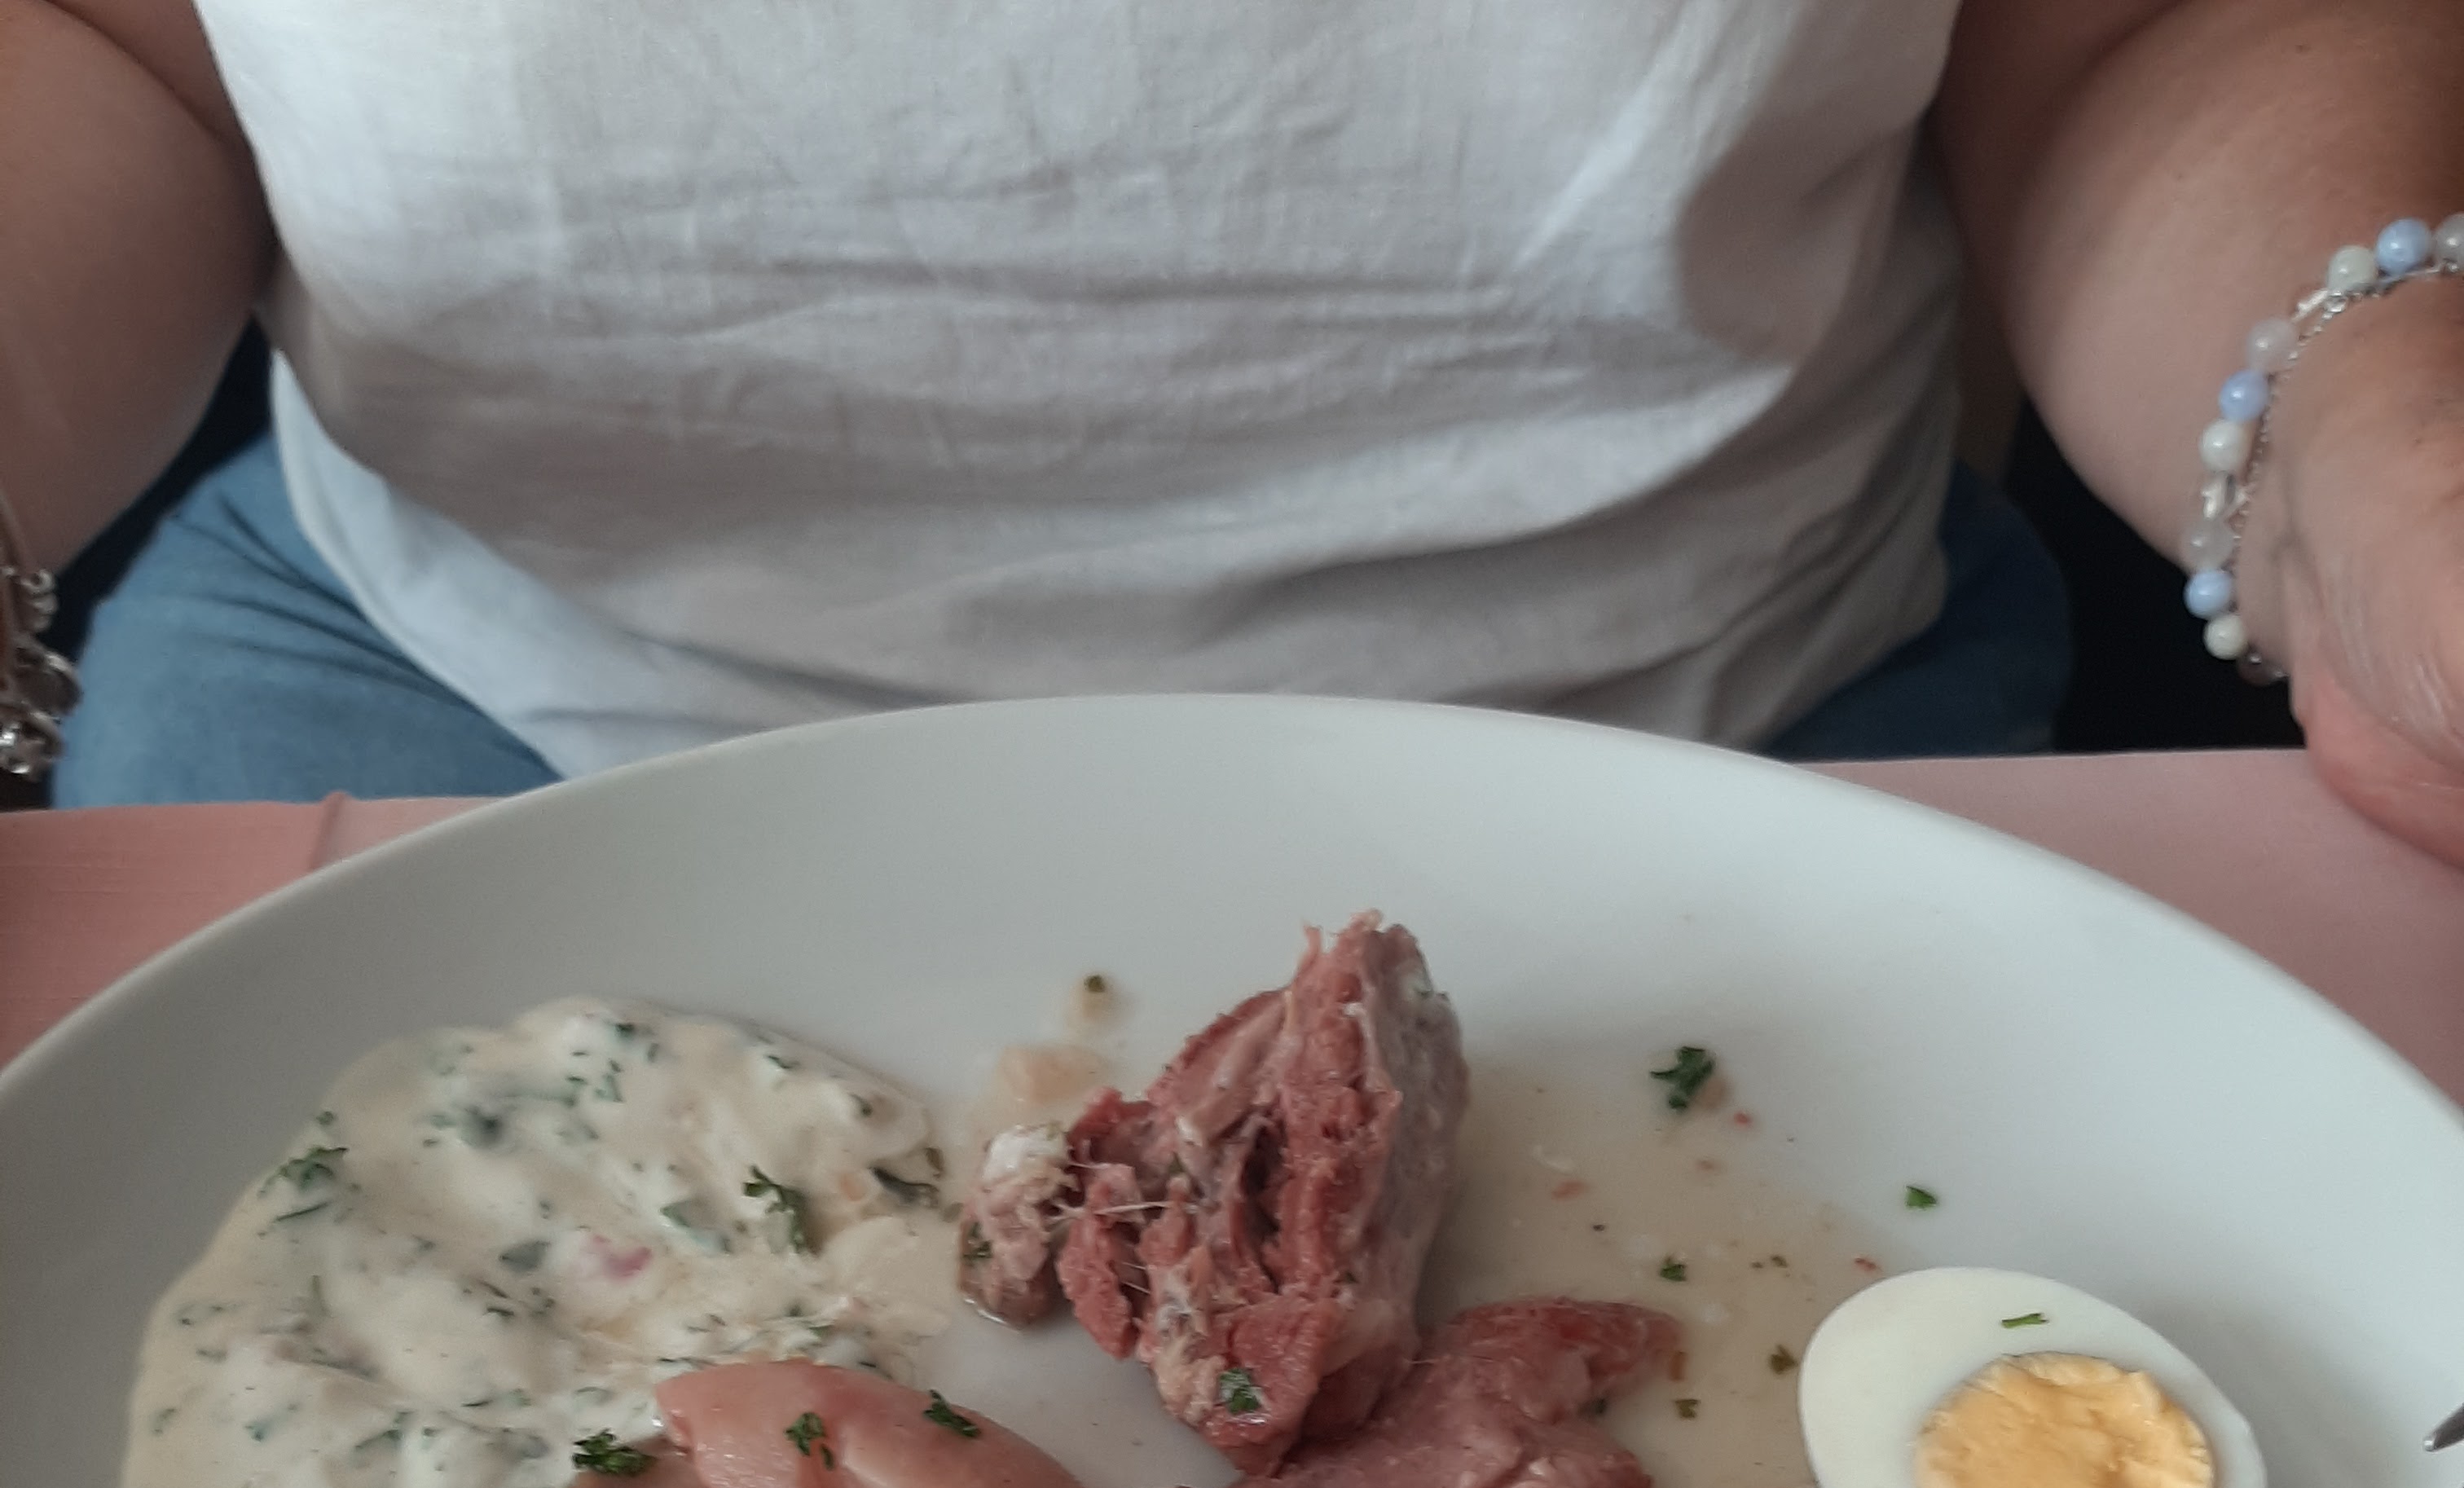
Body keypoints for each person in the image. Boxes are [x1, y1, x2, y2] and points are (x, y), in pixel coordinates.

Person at [1, 0, 2458, 856]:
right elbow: (122, 42)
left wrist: (2379, 416)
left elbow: (2136, 34)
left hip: (1724, 705)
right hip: (458, 674)